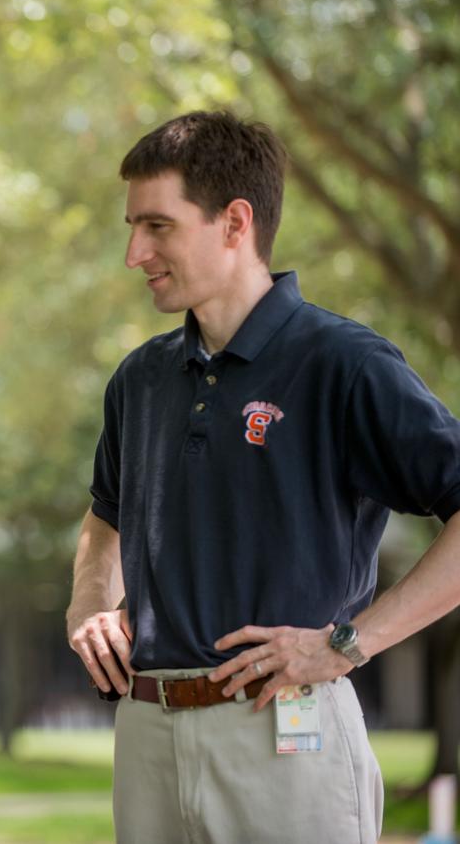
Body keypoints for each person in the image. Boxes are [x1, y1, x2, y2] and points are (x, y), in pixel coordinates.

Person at [65, 111, 460, 844]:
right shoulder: (139, 379)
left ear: (233, 222)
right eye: (132, 226)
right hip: (145, 735)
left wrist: (347, 642)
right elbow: (105, 517)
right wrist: (89, 604)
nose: (133, 253)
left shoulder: (343, 363)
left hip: (283, 734)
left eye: (157, 226)